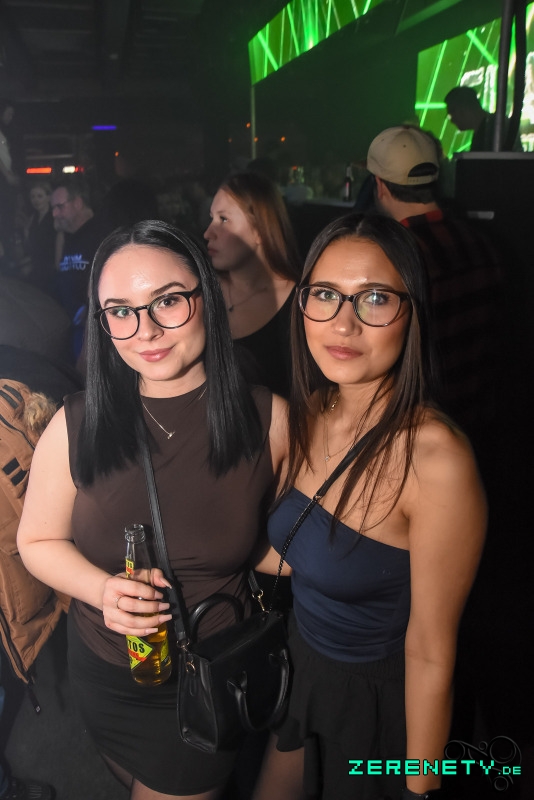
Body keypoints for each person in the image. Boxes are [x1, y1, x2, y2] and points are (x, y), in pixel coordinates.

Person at [17, 219, 287, 800]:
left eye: (167, 301)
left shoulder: (270, 420)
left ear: (206, 295)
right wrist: (101, 590)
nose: (146, 330)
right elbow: (36, 541)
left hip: (211, 672)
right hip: (103, 674)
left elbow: (282, 546)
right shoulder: (75, 424)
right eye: (120, 311)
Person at [254, 213, 486, 800]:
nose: (343, 323)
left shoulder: (437, 460)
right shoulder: (314, 409)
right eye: (325, 295)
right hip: (303, 670)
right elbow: (299, 552)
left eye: (375, 298)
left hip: (380, 708)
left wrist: (419, 786)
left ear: (414, 312)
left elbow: (431, 654)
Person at [366, 125, 503, 439]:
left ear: (380, 185)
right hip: (479, 423)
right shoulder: (483, 243)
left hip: (418, 430)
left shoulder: (393, 257)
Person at [204, 171, 301, 398]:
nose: (208, 233)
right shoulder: (201, 291)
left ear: (260, 230)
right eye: (211, 218)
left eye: (223, 219)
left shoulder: (300, 303)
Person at [51, 175, 106, 360]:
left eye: (60, 207)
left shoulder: (101, 233)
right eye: (53, 209)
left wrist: (90, 309)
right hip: (71, 327)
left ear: (78, 203)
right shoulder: (68, 236)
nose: (54, 214)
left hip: (95, 330)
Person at [444, 85, 523, 152]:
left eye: (451, 114)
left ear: (463, 109)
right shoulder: (490, 126)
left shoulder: (497, 127)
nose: (452, 120)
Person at [24, 181, 58, 295]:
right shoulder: (33, 218)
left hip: (50, 267)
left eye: (39, 196)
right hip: (36, 265)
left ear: (48, 197)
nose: (36, 200)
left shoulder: (54, 216)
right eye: (33, 196)